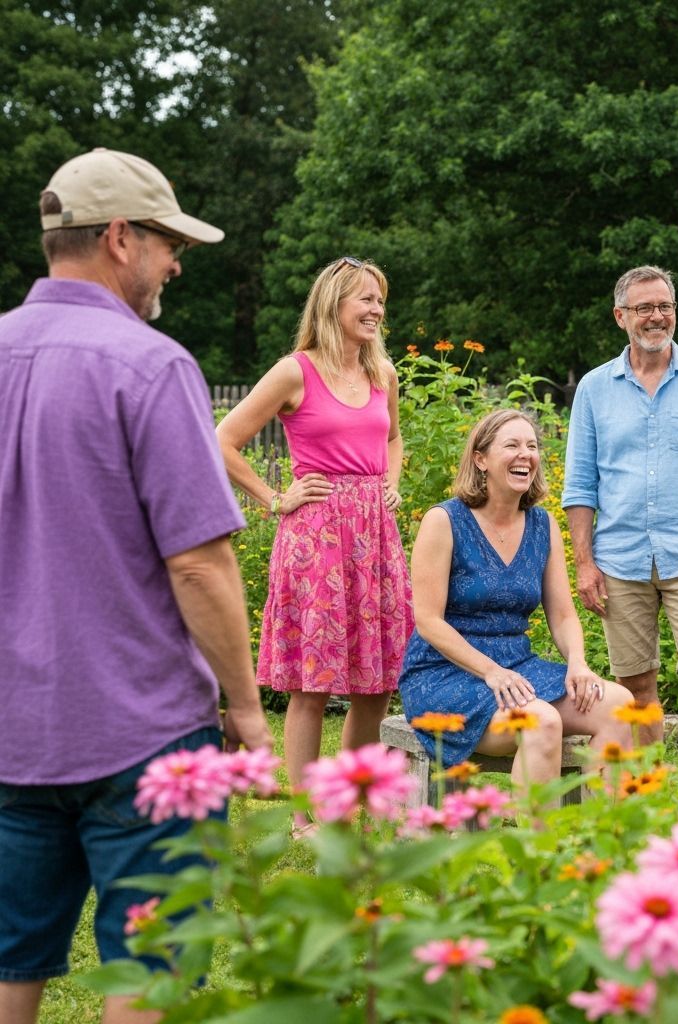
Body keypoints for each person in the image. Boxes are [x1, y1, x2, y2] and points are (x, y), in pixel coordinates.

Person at [0, 148, 273, 1024]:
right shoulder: (150, 365)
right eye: (166, 242)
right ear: (120, 238)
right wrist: (245, 705)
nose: (176, 262)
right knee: (152, 967)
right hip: (142, 732)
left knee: (8, 960)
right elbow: (197, 561)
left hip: (10, 728)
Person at [217, 256, 413, 835]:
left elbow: (395, 437)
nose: (377, 311)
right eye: (365, 300)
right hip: (317, 536)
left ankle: (350, 803)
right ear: (333, 305)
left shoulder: (383, 374)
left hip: (375, 537)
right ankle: (304, 817)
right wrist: (274, 497)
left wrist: (392, 484)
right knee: (312, 685)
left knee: (375, 683)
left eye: (380, 300)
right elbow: (223, 440)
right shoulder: (294, 371)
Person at [562, 265, 678, 753]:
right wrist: (584, 564)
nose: (656, 317)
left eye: (665, 306)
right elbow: (581, 486)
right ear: (620, 316)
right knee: (635, 689)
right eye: (644, 308)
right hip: (619, 560)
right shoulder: (594, 388)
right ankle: (650, 800)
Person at [399, 409, 634, 786]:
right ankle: (536, 841)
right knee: (541, 720)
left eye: (532, 446)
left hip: (517, 667)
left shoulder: (543, 525)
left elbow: (562, 615)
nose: (525, 454)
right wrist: (490, 671)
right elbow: (428, 621)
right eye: (511, 445)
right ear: (481, 459)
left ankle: (596, 834)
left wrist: (578, 663)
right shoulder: (444, 521)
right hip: (445, 674)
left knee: (619, 705)